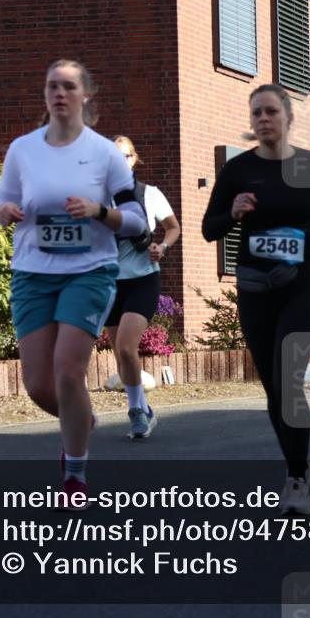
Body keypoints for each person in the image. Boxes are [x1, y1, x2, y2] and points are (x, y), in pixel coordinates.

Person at [0, 59, 147, 506]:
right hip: (32, 274)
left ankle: (75, 474)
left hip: (88, 273)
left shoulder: (105, 154)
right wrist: (3, 212)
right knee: (39, 386)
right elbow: (2, 201)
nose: (58, 93)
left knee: (66, 370)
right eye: (51, 86)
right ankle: (82, 419)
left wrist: (99, 213)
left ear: (85, 96)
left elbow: (136, 221)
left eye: (67, 86)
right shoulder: (23, 150)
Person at [201, 84, 310, 515]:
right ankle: (298, 463)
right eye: (256, 113)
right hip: (254, 290)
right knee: (272, 388)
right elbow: (210, 228)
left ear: (287, 117)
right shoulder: (238, 170)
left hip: (303, 285)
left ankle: (296, 480)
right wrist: (235, 212)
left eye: (270, 112)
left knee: (288, 377)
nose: (263, 119)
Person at [104, 135, 181, 439]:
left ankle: (136, 411)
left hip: (142, 279)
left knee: (126, 346)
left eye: (125, 157)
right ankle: (145, 408)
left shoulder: (150, 194)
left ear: (133, 160)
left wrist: (162, 246)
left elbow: (173, 227)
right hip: (109, 283)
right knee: (119, 354)